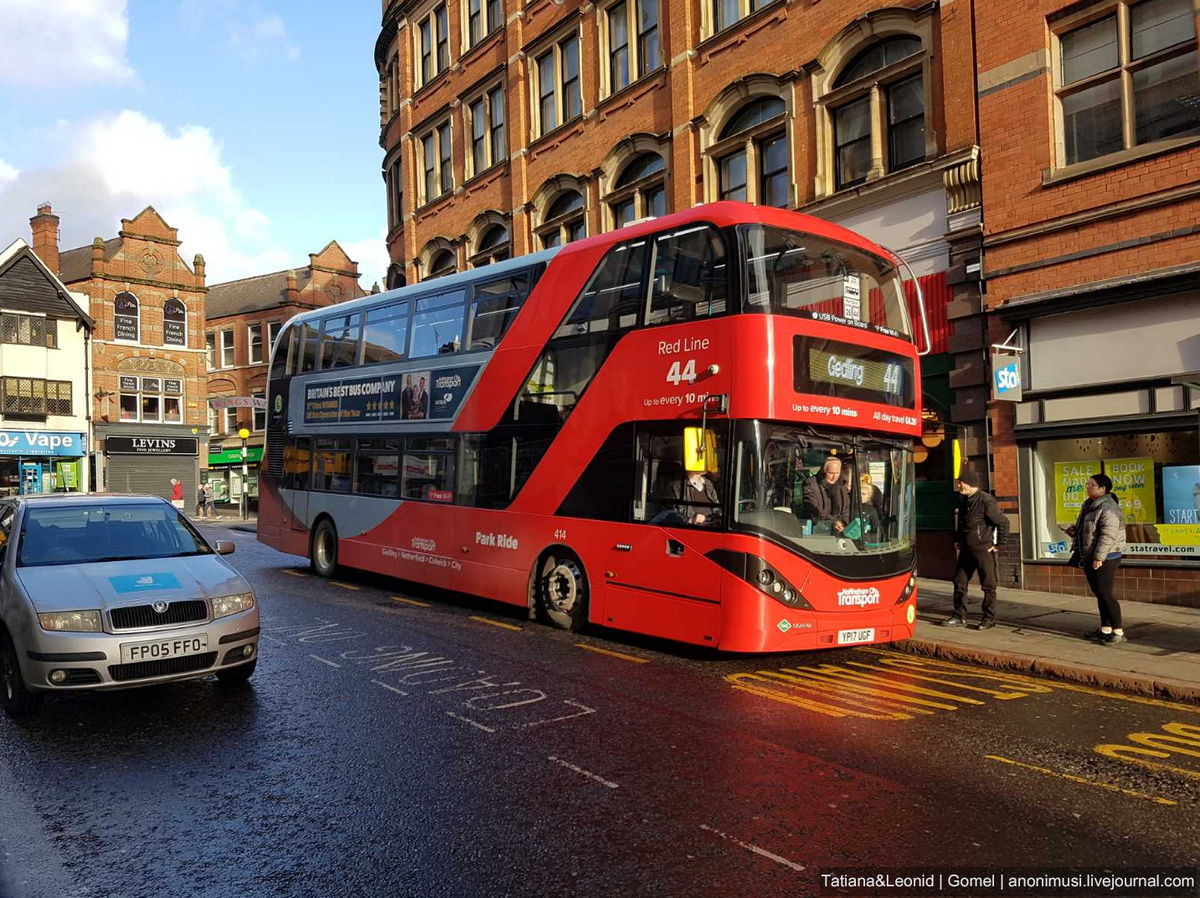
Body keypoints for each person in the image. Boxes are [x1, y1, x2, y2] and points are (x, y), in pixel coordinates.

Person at [1064, 473, 1127, 645]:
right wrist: (1075, 531)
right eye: (1087, 484)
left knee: (1106, 594)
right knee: (1099, 593)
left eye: (1091, 484)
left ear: (1102, 488)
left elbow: (1108, 535)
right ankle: (1105, 629)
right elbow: (1090, 529)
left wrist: (1099, 557)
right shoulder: (1089, 505)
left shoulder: (1108, 508)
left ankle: (1118, 632)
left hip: (1106, 556)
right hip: (1090, 555)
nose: (1087, 487)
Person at [942, 471, 1010, 629]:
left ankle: (989, 618)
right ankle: (959, 616)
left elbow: (1003, 523)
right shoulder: (963, 500)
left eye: (960, 482)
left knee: (988, 585)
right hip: (966, 550)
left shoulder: (986, 501)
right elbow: (962, 523)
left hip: (983, 550)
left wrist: (999, 544)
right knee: (959, 582)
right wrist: (958, 540)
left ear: (969, 483)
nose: (958, 485)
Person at [799, 457, 849, 534]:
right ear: (823, 471)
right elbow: (813, 508)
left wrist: (843, 523)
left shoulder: (841, 485)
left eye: (837, 473)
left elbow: (846, 508)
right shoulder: (810, 483)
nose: (834, 477)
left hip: (838, 530)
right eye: (831, 473)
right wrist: (833, 521)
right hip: (817, 528)